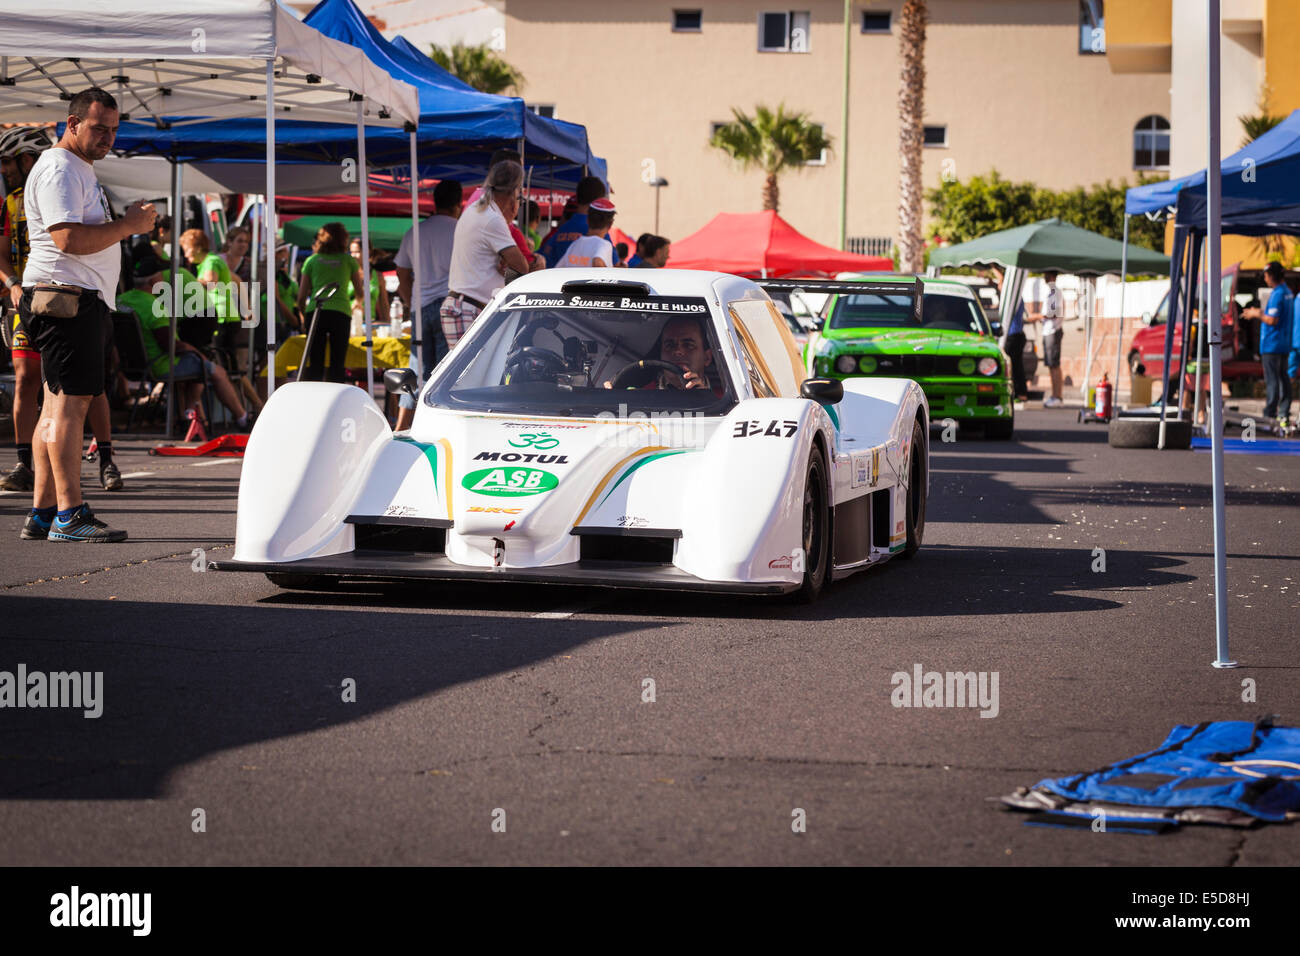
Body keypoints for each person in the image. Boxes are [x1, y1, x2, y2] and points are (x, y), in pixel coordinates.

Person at [20, 87, 156, 542]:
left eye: (115, 130)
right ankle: (69, 514)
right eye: (99, 128)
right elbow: (69, 240)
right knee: (69, 408)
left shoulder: (73, 167)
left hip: (69, 298)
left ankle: (44, 512)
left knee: (55, 408)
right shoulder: (61, 167)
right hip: (66, 299)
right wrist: (131, 226)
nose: (108, 138)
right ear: (72, 123)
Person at [119, 254, 252, 429]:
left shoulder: (120, 300)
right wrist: (197, 353)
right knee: (215, 370)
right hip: (162, 365)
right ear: (155, 281)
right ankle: (241, 418)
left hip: (129, 366)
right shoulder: (155, 307)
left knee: (198, 366)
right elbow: (172, 346)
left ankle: (187, 416)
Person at [393, 179, 461, 432]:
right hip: (450, 306)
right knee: (445, 371)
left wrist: (410, 299)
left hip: (420, 307)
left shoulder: (415, 231)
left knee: (416, 370)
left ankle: (403, 425)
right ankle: (439, 425)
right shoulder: (459, 230)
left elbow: (401, 270)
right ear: (458, 204)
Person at [441, 161, 530, 351]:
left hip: (463, 305)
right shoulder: (492, 219)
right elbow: (522, 266)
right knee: (468, 377)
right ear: (514, 191)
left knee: (468, 377)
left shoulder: (477, 209)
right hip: (468, 308)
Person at [296, 222, 364, 383]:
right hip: (341, 313)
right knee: (337, 364)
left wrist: (303, 314)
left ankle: (313, 401)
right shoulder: (348, 261)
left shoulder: (312, 261)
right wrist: (355, 304)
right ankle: (336, 402)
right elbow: (360, 293)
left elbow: (300, 297)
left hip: (316, 311)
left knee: (315, 364)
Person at [604, 314, 717, 392]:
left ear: (707, 358)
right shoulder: (639, 396)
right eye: (670, 345)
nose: (678, 351)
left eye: (688, 345)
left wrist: (703, 397)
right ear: (660, 355)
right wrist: (612, 399)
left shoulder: (728, 405)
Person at [1242, 261, 1293, 423]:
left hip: (1272, 344)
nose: (1264, 279)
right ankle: (1283, 411)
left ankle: (1270, 413)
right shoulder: (1287, 293)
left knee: (1273, 380)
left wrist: (1256, 315)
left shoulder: (1278, 294)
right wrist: (1257, 311)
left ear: (1271, 276)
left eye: (1265, 275)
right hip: (1283, 343)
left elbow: (1272, 320)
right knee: (1283, 378)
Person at [539, 175, 612, 267]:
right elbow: (609, 263)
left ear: (577, 197)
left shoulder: (560, 231)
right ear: (598, 202)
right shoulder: (600, 232)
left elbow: (543, 259)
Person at [1027, 270, 1064, 407]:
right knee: (1051, 364)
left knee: (1054, 364)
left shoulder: (1054, 291)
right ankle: (1056, 395)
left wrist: (1036, 316)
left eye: (1047, 274)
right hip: (1048, 330)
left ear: (1052, 276)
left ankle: (1057, 396)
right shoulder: (1051, 291)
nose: (1044, 277)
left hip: (1053, 330)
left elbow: (1053, 313)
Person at [993, 267, 1029, 401]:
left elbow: (1002, 281)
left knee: (1009, 366)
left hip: (1012, 335)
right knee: (1017, 365)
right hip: (1017, 335)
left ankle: (1014, 393)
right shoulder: (1017, 297)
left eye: (1000, 284)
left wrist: (993, 267)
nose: (998, 287)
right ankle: (1021, 393)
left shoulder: (1010, 297)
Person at [558, 198, 616, 267]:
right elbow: (597, 262)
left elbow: (558, 269)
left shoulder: (574, 245)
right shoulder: (604, 245)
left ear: (587, 220)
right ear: (610, 224)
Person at [348, 236, 389, 325]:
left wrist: (388, 324)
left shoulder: (378, 276)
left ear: (368, 252)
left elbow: (384, 304)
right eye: (351, 252)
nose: (353, 256)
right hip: (349, 322)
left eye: (357, 252)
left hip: (371, 324)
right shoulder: (346, 274)